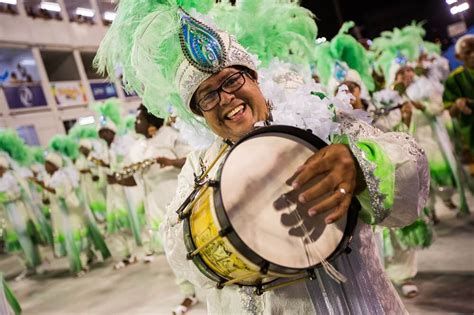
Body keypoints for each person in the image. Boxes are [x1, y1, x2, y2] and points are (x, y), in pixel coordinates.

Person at [96, 1, 429, 313]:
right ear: (199, 113)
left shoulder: (321, 121)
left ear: (254, 77)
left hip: (360, 301)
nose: (226, 98)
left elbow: (413, 169)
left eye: (231, 80)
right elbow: (182, 256)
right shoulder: (198, 169)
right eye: (208, 95)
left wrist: (360, 164)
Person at [115, 105, 198, 313]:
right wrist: (119, 179)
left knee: (195, 248)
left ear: (151, 123)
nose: (136, 122)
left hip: (181, 203)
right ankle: (188, 294)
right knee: (174, 253)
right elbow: (135, 181)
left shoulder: (171, 137)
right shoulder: (137, 148)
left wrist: (169, 161)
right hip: (156, 209)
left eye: (139, 118)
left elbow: (192, 159)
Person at [92, 99, 144, 269]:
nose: (103, 135)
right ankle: (125, 255)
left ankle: (138, 251)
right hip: (113, 191)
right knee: (118, 224)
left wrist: (116, 175)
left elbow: (128, 165)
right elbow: (108, 169)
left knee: (133, 221)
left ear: (112, 132)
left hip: (126, 188)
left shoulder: (124, 143)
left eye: (106, 131)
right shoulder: (104, 149)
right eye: (101, 132)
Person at [443, 34, 474, 175]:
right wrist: (458, 104)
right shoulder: (454, 79)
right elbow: (451, 112)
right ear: (458, 56)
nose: (473, 54)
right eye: (468, 52)